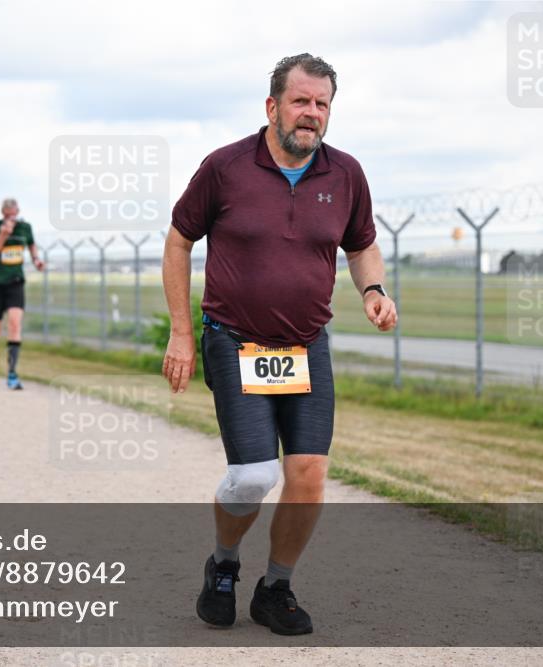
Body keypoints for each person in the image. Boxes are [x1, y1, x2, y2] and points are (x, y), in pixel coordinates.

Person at [162, 54, 397, 635]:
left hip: (306, 345)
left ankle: (276, 588)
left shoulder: (345, 175)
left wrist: (373, 289)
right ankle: (222, 565)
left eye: (322, 104)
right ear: (273, 106)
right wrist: (182, 333)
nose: (311, 114)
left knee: (309, 471)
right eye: (301, 101)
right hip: (234, 340)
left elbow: (361, 243)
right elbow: (178, 241)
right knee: (252, 476)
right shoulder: (225, 168)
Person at [0, 198, 44, 390]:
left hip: (15, 282)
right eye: (7, 214)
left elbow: (31, 244)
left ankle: (12, 373)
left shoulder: (25, 228)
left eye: (13, 214)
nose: (11, 218)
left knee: (15, 323)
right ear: (2, 213)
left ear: (18, 211)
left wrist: (36, 259)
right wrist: (2, 235)